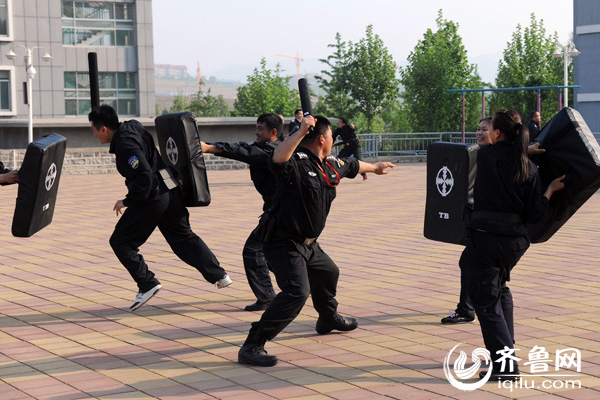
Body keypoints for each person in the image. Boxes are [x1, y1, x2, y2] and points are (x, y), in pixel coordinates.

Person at [237, 115, 395, 367]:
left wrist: (375, 168)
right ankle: (253, 344)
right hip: (282, 241)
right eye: (331, 135)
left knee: (328, 272)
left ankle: (328, 318)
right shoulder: (295, 162)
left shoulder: (330, 163)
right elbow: (277, 158)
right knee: (297, 292)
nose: (334, 140)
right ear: (322, 138)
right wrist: (299, 132)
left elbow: (353, 166)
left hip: (309, 243)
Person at [88, 105, 232, 311]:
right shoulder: (133, 127)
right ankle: (219, 275)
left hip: (154, 197)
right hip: (172, 189)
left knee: (121, 242)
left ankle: (147, 283)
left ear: (103, 129)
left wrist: (127, 201)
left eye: (93, 129)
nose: (93, 134)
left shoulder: (125, 145)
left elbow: (145, 176)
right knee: (183, 237)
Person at [461, 109, 565, 381]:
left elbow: (489, 154)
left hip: (485, 238)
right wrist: (550, 190)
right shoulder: (529, 168)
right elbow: (535, 214)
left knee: (486, 302)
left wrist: (524, 150)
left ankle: (507, 368)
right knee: (500, 289)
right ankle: (506, 355)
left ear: (497, 134)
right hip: (515, 243)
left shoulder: (485, 156)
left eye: (490, 129)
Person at [442, 116, 547, 324]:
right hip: (502, 235)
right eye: (478, 129)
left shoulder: (496, 159)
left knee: (489, 289)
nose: (479, 133)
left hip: (492, 234)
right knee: (493, 280)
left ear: (497, 133)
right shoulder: (489, 157)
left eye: (485, 129)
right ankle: (471, 313)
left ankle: (469, 311)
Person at [201, 113, 281, 311]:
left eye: (260, 129)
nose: (256, 132)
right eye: (256, 127)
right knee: (281, 253)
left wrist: (210, 148)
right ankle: (308, 282)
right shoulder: (268, 148)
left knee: (254, 252)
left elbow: (241, 151)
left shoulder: (272, 152)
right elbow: (245, 149)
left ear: (273, 132)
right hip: (277, 209)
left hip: (281, 212)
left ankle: (268, 297)